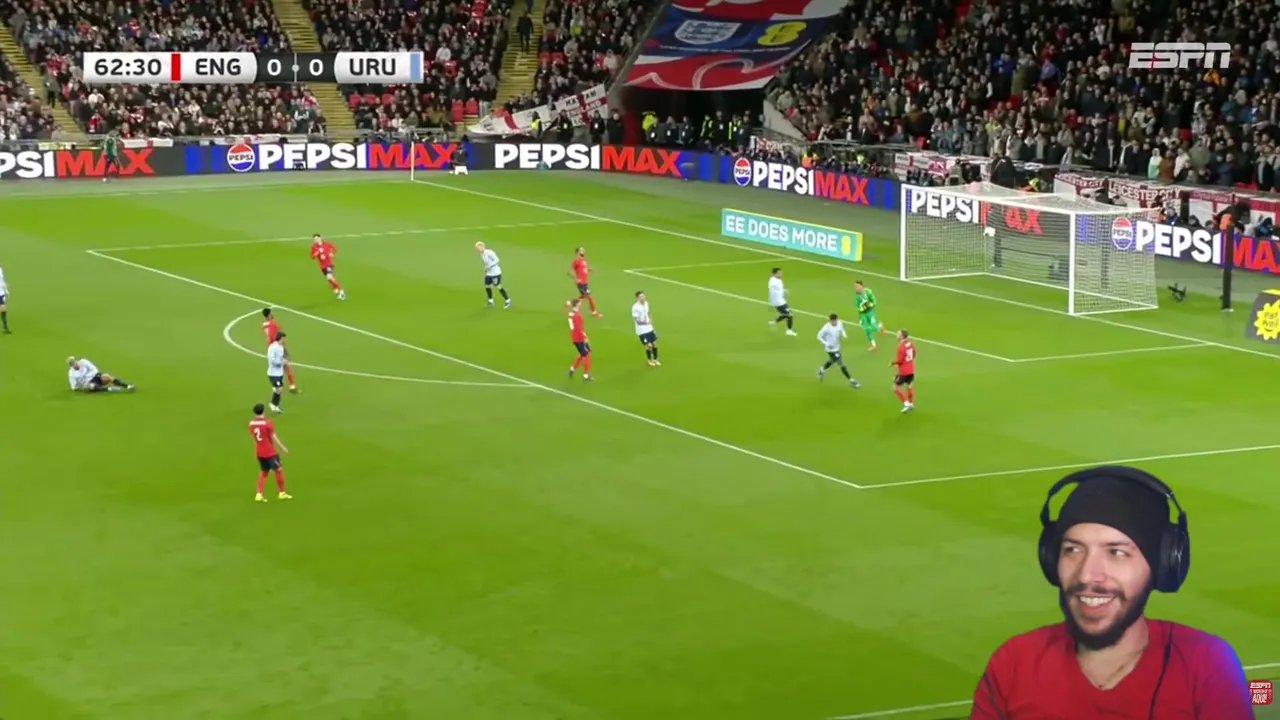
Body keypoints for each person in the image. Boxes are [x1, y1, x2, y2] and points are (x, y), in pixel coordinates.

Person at [970, 466, 1254, 720]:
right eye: (1073, 550)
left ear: (1161, 565)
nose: (1087, 575)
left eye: (1116, 552)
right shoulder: (1013, 663)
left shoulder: (1206, 664)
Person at [248, 403, 291, 503]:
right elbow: (274, 437)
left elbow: (255, 437)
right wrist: (283, 448)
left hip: (259, 452)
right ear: (263, 411)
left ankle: (259, 494)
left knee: (264, 472)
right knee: (279, 470)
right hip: (269, 452)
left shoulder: (251, 424)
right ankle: (282, 493)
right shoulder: (267, 423)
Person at [816, 313, 859, 387]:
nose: (834, 322)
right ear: (830, 321)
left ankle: (821, 370)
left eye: (835, 321)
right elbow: (818, 336)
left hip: (837, 347)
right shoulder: (826, 328)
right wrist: (826, 343)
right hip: (830, 349)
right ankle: (851, 380)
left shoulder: (840, 323)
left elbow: (842, 329)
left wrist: (844, 334)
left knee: (832, 361)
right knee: (841, 363)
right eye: (833, 321)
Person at [262, 308, 297, 392]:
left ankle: (279, 386)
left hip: (271, 348)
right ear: (269, 315)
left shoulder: (264, 324)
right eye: (271, 313)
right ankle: (291, 386)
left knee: (277, 367)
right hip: (277, 348)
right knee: (286, 365)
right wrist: (285, 350)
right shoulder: (273, 325)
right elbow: (276, 337)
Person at [67, 356, 134, 392]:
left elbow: (95, 369)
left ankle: (127, 386)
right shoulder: (71, 374)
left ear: (76, 360)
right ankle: (110, 389)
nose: (75, 364)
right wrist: (83, 388)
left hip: (96, 377)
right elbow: (74, 387)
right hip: (88, 383)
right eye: (72, 364)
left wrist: (88, 376)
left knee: (106, 376)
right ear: (70, 365)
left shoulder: (84, 362)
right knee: (90, 386)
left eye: (74, 362)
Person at [475, 242, 512, 308]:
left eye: (477, 248)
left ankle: (508, 301)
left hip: (496, 273)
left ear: (482, 247)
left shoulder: (489, 252)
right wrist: (485, 268)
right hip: (489, 273)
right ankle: (491, 301)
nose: (477, 250)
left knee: (498, 286)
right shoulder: (482, 254)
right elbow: (486, 263)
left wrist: (489, 266)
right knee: (487, 286)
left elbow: (497, 260)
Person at [310, 234, 346, 300]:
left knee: (330, 277)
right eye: (314, 239)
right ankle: (336, 289)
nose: (316, 240)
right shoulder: (313, 247)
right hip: (322, 266)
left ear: (320, 238)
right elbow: (312, 257)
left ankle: (341, 292)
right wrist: (315, 254)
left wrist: (332, 253)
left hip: (329, 264)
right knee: (329, 279)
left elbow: (335, 248)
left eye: (317, 239)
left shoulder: (326, 244)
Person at [854, 280, 885, 350]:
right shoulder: (857, 296)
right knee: (867, 329)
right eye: (855, 287)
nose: (856, 288)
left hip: (870, 312)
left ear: (862, 286)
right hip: (863, 315)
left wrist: (869, 305)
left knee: (873, 326)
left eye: (857, 286)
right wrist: (862, 309)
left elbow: (874, 301)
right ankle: (874, 345)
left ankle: (880, 326)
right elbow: (857, 307)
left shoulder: (868, 292)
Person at [567, 298, 593, 381]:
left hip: (574, 337)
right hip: (579, 338)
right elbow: (579, 328)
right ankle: (586, 375)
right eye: (579, 303)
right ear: (577, 304)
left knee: (583, 354)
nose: (581, 304)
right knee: (587, 355)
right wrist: (584, 337)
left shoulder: (571, 314)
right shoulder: (578, 315)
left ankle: (572, 369)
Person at [632, 291, 660, 366]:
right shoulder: (635, 307)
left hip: (649, 328)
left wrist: (651, 323)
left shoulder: (646, 303)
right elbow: (637, 321)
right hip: (641, 330)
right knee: (649, 345)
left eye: (643, 296)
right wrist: (645, 322)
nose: (643, 298)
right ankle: (649, 360)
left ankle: (655, 359)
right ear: (637, 298)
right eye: (641, 296)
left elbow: (648, 313)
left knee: (654, 344)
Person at [891, 330, 916, 412]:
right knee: (910, 386)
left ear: (902, 336)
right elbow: (914, 353)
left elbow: (900, 360)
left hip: (904, 371)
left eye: (898, 334)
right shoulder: (910, 344)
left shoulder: (901, 347)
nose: (896, 335)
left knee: (895, 387)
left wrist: (892, 363)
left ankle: (906, 403)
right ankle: (911, 404)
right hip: (911, 369)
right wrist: (909, 361)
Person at [571, 248, 601, 317]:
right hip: (581, 283)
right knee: (590, 297)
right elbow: (571, 272)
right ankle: (594, 312)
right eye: (581, 250)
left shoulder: (584, 261)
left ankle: (571, 304)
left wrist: (589, 269)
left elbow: (584, 269)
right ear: (577, 253)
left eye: (583, 250)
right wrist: (576, 280)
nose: (583, 252)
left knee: (583, 296)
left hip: (585, 282)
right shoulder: (576, 261)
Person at [768, 268, 796, 336]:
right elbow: (771, 292)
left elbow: (779, 289)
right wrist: (771, 302)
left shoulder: (778, 279)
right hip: (778, 302)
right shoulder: (773, 282)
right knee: (789, 314)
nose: (781, 274)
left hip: (781, 300)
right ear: (774, 274)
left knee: (786, 314)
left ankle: (775, 322)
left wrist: (784, 290)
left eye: (781, 273)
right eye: (779, 273)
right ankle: (789, 331)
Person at [267, 333, 288, 413]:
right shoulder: (273, 347)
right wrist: (282, 362)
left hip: (280, 373)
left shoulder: (281, 347)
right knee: (278, 389)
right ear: (281, 338)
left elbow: (281, 357)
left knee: (280, 389)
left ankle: (276, 406)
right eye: (284, 338)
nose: (285, 340)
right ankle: (273, 404)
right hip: (273, 373)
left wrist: (285, 363)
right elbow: (272, 359)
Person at [0, 262, 9, 333]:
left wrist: (5, 290)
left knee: (3, 308)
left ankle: (5, 327)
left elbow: (2, 281)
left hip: (0, 293)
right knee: (3, 308)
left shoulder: (0, 270)